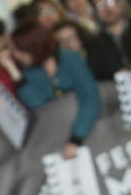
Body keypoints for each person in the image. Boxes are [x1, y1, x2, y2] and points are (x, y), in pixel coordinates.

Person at [11, 21, 101, 159]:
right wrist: (16, 75)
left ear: (35, 46)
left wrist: (76, 138)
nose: (16, 55)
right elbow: (37, 104)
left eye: (20, 49)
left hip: (88, 131)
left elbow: (90, 99)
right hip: (58, 139)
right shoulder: (29, 73)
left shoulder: (70, 58)